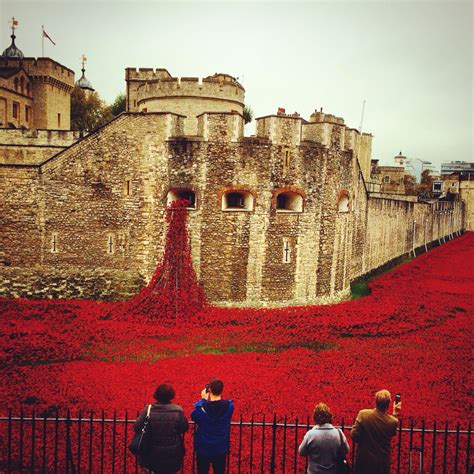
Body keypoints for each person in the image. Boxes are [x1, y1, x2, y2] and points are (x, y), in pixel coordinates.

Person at [133, 383, 189, 474]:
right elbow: (184, 427)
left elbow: (137, 427)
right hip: (171, 453)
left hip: (151, 452)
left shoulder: (148, 410)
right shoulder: (177, 411)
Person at [350, 389, 401, 474]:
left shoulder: (363, 414)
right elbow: (392, 432)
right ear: (389, 404)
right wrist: (395, 413)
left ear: (375, 401)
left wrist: (364, 440)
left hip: (364, 461)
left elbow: (353, 435)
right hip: (382, 463)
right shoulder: (393, 421)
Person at [191, 378, 234, 474]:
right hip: (220, 447)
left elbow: (194, 415)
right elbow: (228, 404)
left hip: (203, 448)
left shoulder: (201, 409)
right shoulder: (230, 406)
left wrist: (203, 400)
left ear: (209, 390)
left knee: (202, 471)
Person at [298, 402, 350, 473]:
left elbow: (301, 452)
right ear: (330, 416)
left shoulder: (311, 434)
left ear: (315, 417)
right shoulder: (339, 433)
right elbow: (347, 450)